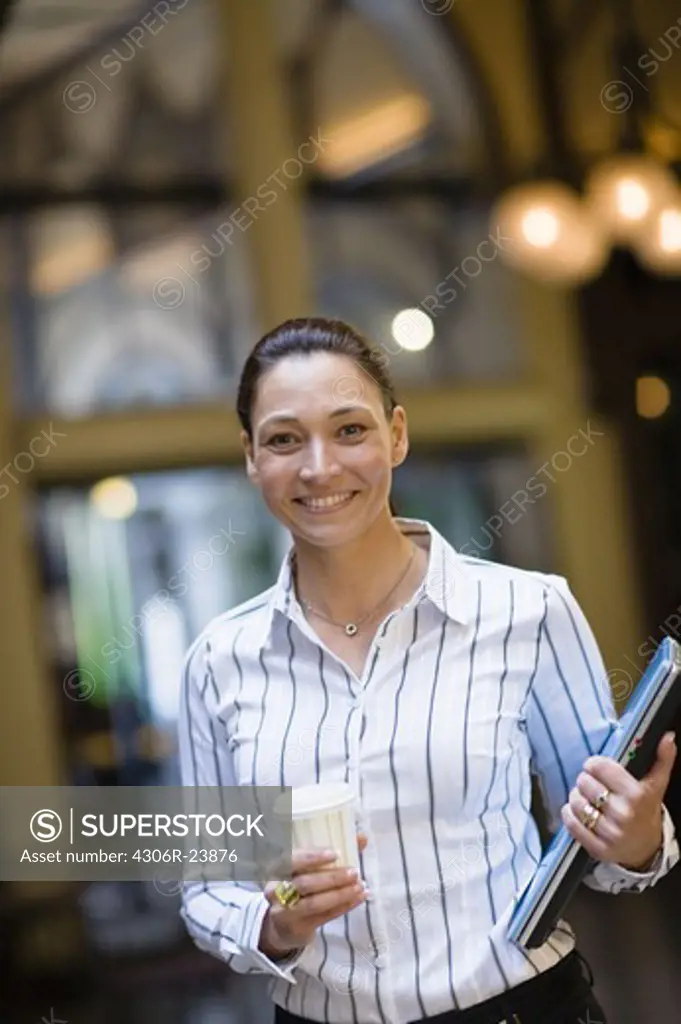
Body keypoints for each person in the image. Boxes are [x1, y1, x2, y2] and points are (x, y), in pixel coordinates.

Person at [178, 317, 679, 1024]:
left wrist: (634, 840)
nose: (319, 467)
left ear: (397, 435)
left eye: (350, 430)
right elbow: (205, 889)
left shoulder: (528, 611)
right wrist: (274, 924)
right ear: (251, 457)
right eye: (285, 439)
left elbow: (600, 850)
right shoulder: (216, 663)